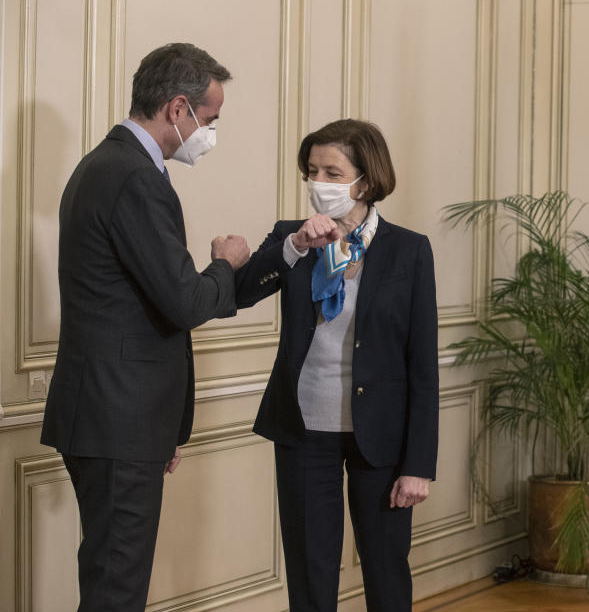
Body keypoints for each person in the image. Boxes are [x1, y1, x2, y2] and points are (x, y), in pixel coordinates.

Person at [40, 43, 251, 611]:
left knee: (113, 579)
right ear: (178, 108)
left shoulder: (105, 165)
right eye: (209, 120)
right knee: (117, 589)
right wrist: (226, 262)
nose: (210, 134)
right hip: (117, 420)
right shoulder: (133, 176)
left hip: (116, 418)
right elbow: (183, 301)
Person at [235, 119, 439, 612]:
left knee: (386, 569)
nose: (319, 183)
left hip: (382, 437)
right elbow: (238, 295)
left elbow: (423, 364)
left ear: (364, 181)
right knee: (310, 571)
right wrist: (296, 246)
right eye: (312, 171)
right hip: (304, 429)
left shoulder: (409, 249)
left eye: (332, 172)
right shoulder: (293, 238)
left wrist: (418, 466)